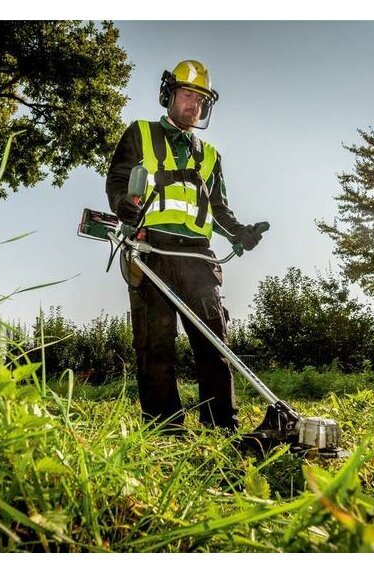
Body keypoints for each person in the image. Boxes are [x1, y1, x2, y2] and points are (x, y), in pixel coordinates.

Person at [105, 59, 266, 432]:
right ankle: (165, 429)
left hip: (196, 254)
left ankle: (221, 425)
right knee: (154, 345)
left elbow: (218, 207)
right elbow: (116, 180)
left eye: (200, 99)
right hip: (150, 250)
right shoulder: (139, 133)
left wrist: (240, 232)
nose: (194, 105)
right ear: (169, 95)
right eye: (187, 95)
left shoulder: (210, 156)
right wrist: (121, 204)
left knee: (213, 342)